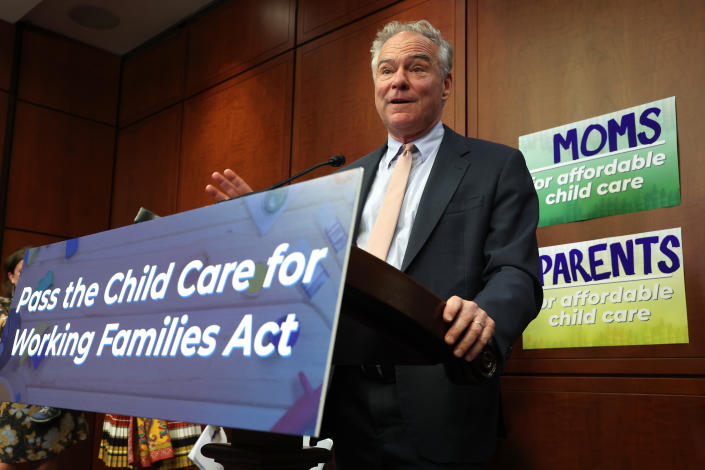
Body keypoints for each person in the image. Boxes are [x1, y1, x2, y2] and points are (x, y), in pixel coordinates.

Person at [206, 19, 542, 469]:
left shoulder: (494, 166)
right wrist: (271, 236)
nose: (398, 80)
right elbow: (314, 278)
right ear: (375, 87)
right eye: (386, 71)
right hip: (347, 403)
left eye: (416, 68)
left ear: (444, 86)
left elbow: (516, 272)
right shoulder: (345, 181)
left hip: (443, 397)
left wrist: (487, 318)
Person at [0, 247, 89, 469]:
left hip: (48, 395)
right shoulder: (3, 306)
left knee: (48, 459)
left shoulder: (57, 306)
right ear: (11, 277)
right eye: (23, 271)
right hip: (11, 398)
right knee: (6, 459)